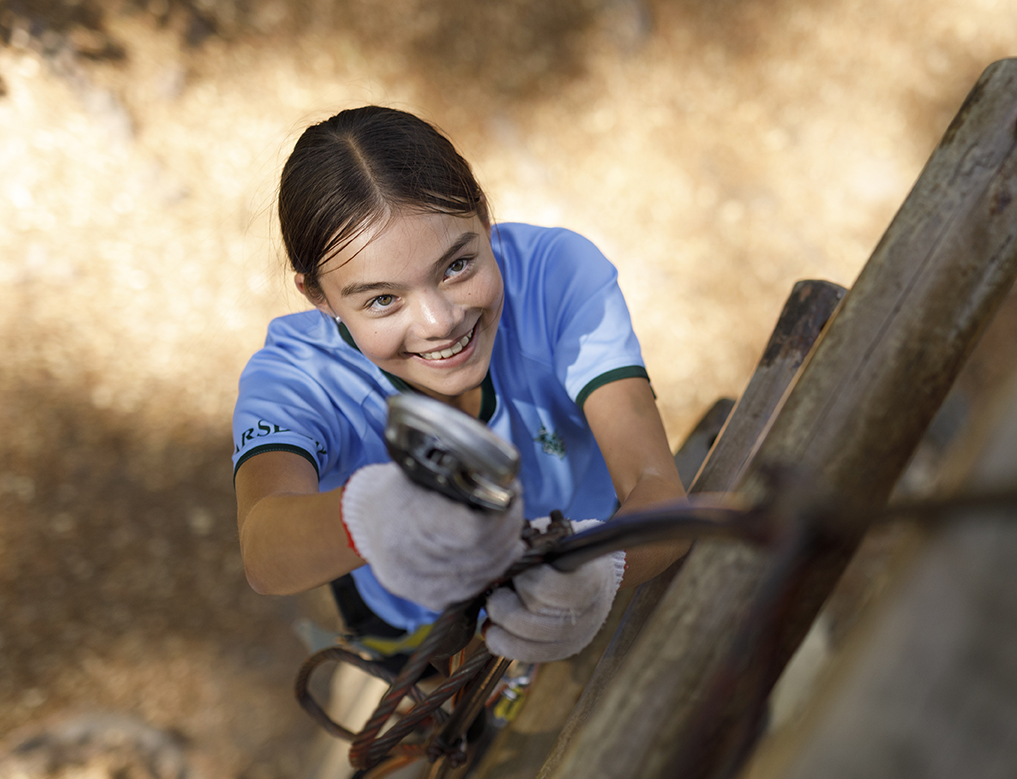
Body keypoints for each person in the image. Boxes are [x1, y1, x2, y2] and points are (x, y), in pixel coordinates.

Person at [232, 106, 689, 664]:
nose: (438, 322)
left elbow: (654, 483)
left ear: (484, 216)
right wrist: (376, 515)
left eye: (456, 266)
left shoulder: (556, 277)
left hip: (590, 556)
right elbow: (263, 551)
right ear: (318, 299)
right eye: (382, 299)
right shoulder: (297, 377)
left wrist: (603, 568)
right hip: (425, 629)